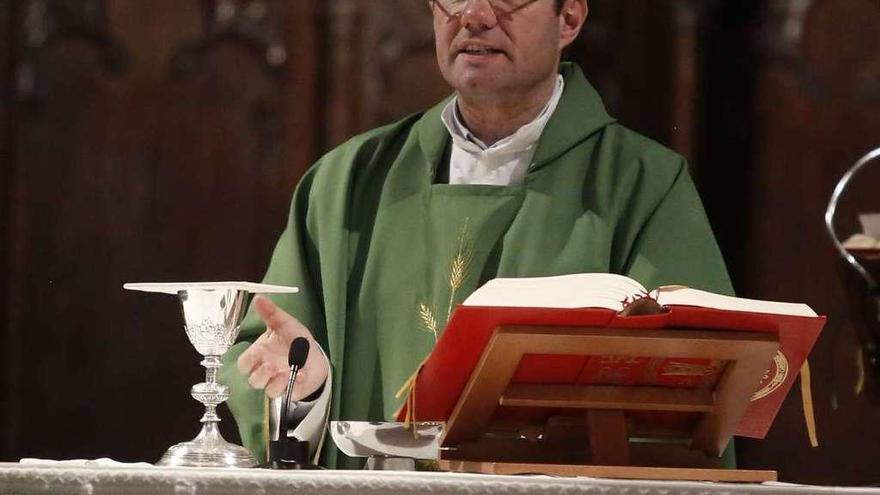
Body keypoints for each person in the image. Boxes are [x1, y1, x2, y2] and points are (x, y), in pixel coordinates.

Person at [220, 0, 733, 469]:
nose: (473, 14)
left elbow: (689, 400)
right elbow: (270, 357)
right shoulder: (346, 185)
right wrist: (302, 392)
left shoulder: (642, 186)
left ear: (570, 18)